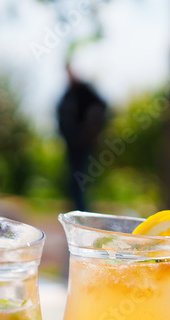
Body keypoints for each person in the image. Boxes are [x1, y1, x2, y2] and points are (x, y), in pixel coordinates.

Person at [56, 62, 107, 211]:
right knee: (73, 180)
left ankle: (82, 212)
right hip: (71, 145)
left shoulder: (84, 90)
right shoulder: (68, 94)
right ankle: (77, 211)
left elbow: (101, 106)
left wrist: (89, 129)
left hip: (83, 145)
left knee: (80, 180)